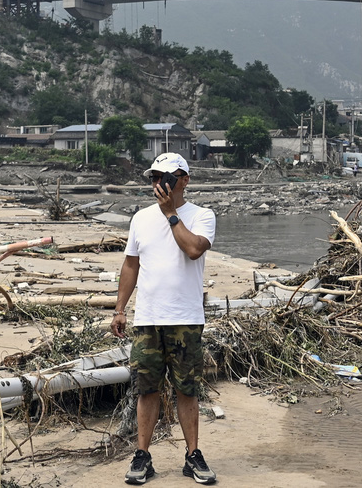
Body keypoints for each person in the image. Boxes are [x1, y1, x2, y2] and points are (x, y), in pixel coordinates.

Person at [111, 152, 217, 485]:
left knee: (187, 389)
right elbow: (131, 265)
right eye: (154, 178)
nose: (159, 184)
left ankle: (192, 455)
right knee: (147, 389)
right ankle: (142, 456)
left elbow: (194, 249)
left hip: (185, 318)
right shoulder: (140, 218)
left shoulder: (202, 215)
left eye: (166, 178)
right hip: (148, 318)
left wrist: (171, 213)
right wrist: (119, 308)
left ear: (184, 180)